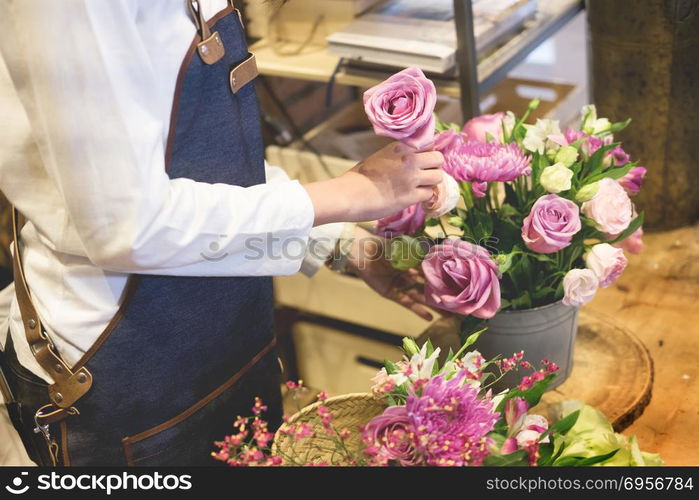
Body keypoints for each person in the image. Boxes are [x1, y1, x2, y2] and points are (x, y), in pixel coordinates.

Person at [0, 0, 443, 466]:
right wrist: (350, 194)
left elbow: (204, 170)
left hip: (229, 330)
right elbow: (128, 225)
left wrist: (340, 241)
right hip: (118, 364)